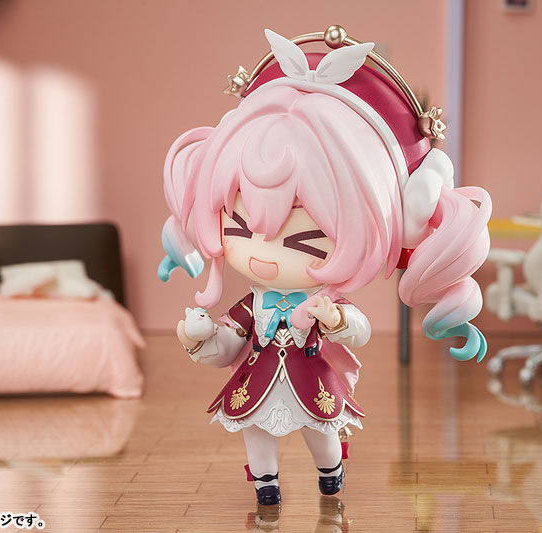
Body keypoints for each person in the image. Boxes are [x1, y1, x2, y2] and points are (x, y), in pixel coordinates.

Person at [158, 28, 491, 506]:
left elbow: (358, 332)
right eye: (240, 226)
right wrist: (201, 339)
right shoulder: (251, 305)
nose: (263, 253)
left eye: (304, 239)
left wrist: (335, 319)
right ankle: (266, 485)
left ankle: (330, 474)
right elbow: (229, 347)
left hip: (312, 381)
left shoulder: (321, 301)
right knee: (256, 432)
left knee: (322, 431)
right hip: (256, 384)